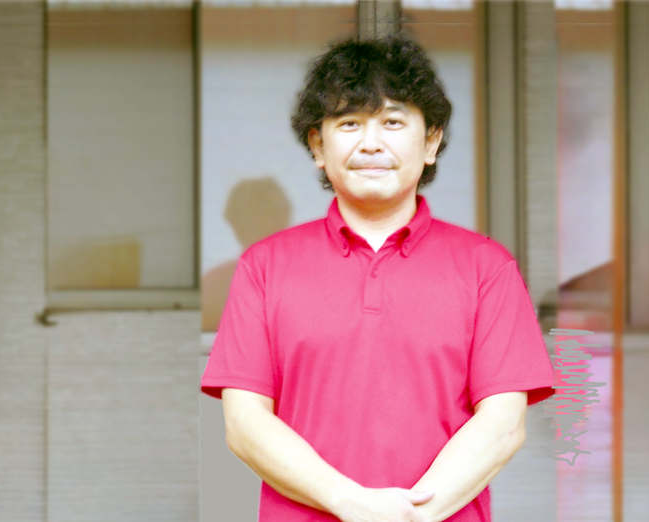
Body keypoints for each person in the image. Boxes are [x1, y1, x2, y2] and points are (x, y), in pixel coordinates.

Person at [201, 34, 555, 522]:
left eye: (392, 122)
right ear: (317, 145)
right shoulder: (263, 266)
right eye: (349, 123)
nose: (371, 143)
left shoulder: (487, 267)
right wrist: (353, 503)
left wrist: (409, 515)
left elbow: (503, 424)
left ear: (431, 142)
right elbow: (244, 424)